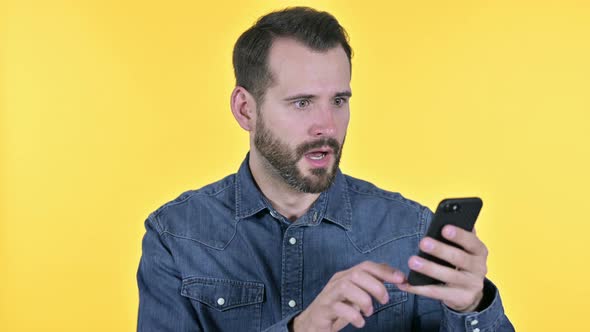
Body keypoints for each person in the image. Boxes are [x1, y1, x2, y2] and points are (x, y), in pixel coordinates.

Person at [136, 6, 515, 332]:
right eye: (302, 103)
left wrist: (471, 308)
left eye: (338, 100)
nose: (327, 126)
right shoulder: (175, 237)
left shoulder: (409, 231)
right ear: (245, 109)